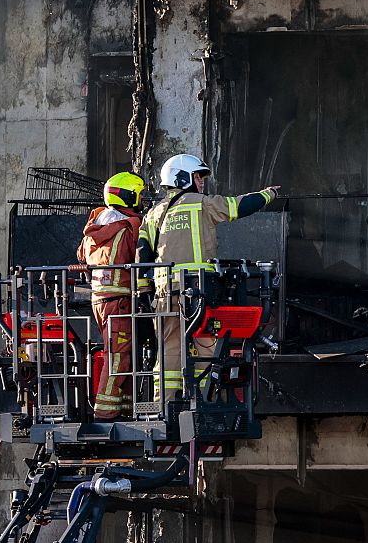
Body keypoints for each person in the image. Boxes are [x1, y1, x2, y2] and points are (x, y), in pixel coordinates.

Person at [138, 153, 279, 401]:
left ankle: (165, 402)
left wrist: (143, 292)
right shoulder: (201, 203)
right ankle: (201, 399)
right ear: (182, 178)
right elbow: (238, 207)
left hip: (164, 294)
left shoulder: (153, 213)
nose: (201, 181)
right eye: (197, 176)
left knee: (169, 347)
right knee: (206, 343)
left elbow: (142, 254)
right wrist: (268, 194)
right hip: (198, 292)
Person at [77, 171, 150, 420]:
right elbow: (143, 257)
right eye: (140, 195)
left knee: (122, 352)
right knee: (118, 356)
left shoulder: (95, 226)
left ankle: (126, 407)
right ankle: (106, 411)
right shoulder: (130, 227)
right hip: (121, 303)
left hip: (99, 300)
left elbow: (81, 257)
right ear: (129, 197)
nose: (142, 200)